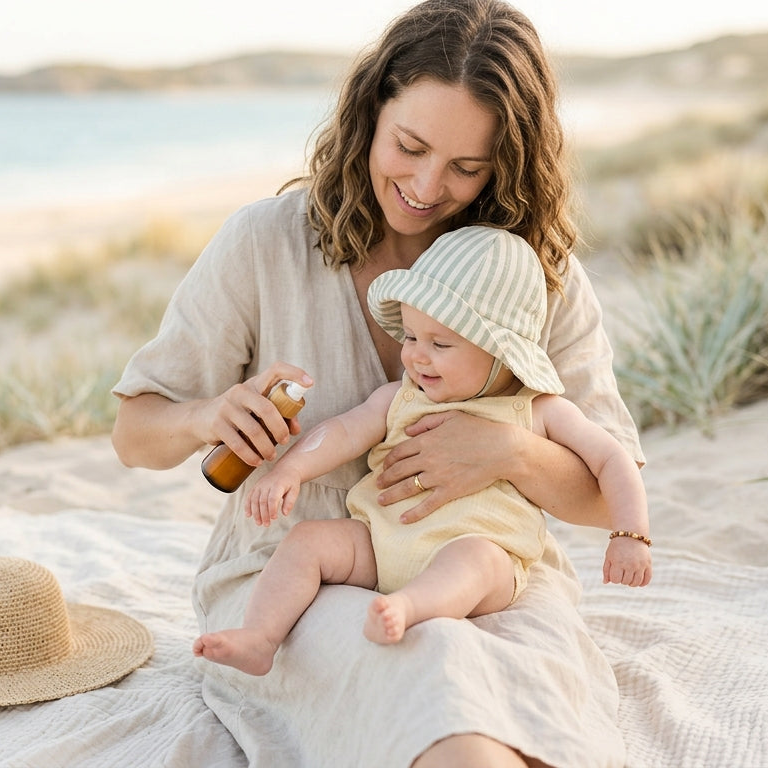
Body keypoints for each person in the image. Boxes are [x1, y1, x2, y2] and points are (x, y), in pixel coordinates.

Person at [111, 0, 645, 765]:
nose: (429, 186)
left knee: (504, 708)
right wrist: (207, 416)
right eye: (410, 146)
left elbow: (603, 494)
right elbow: (134, 435)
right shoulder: (266, 243)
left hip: (491, 572)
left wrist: (506, 453)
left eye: (468, 166)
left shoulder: (539, 277)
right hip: (295, 573)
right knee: (435, 690)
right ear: (370, 113)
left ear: (510, 163)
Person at [192, 226, 652, 677]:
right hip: (381, 542)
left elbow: (612, 459)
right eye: (410, 337)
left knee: (476, 560)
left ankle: (409, 607)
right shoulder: (402, 397)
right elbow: (343, 432)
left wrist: (631, 535)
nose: (415, 357)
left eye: (440, 344)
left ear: (501, 351)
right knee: (307, 541)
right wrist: (288, 471)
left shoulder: (537, 410)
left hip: (477, 552)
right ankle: (260, 637)